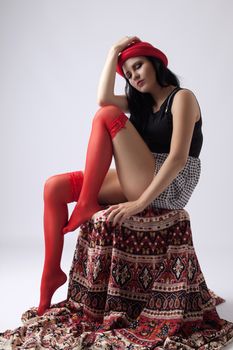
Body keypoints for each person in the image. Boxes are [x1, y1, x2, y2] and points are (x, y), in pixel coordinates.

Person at [37, 36, 203, 316]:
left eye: (138, 66)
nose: (134, 76)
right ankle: (51, 273)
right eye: (127, 74)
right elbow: (103, 97)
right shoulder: (140, 103)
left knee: (108, 115)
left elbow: (177, 159)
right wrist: (113, 52)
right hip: (141, 174)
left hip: (171, 182)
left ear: (156, 63)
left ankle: (87, 202)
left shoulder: (182, 98)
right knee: (54, 188)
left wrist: (138, 205)